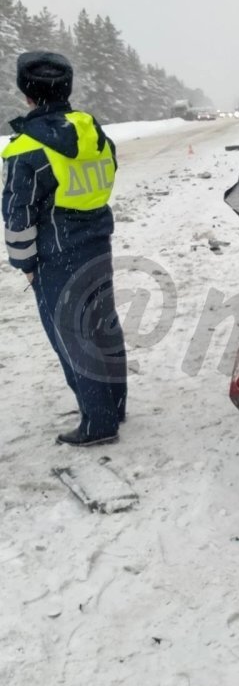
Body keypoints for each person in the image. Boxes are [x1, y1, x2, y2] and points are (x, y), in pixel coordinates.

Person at [2, 51, 127, 445]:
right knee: (103, 325)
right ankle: (116, 403)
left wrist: (24, 262)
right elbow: (110, 169)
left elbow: (16, 214)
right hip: (97, 245)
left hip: (55, 257)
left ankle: (98, 423)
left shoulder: (28, 148)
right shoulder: (92, 131)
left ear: (27, 94)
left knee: (73, 336)